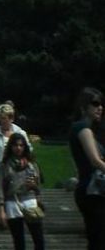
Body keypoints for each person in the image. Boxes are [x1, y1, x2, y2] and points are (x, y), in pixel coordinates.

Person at [70, 87, 105, 249]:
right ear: (84, 107)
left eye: (101, 104)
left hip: (89, 191)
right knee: (98, 241)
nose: (100, 107)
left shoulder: (83, 128)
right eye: (95, 104)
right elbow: (95, 161)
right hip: (92, 192)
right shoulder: (83, 128)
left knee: (95, 239)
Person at [0, 133, 44, 250]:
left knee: (38, 238)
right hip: (12, 203)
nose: (18, 148)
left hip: (30, 201)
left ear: (25, 147)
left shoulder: (32, 164)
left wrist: (35, 187)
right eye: (15, 145)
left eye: (21, 145)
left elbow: (38, 187)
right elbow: (0, 188)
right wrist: (1, 209)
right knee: (18, 241)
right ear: (11, 147)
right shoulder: (4, 165)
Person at [0, 103, 28, 179]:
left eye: (5, 118)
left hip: (20, 170)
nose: (2, 121)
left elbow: (28, 151)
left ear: (11, 119)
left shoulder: (21, 133)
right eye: (0, 118)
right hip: (2, 172)